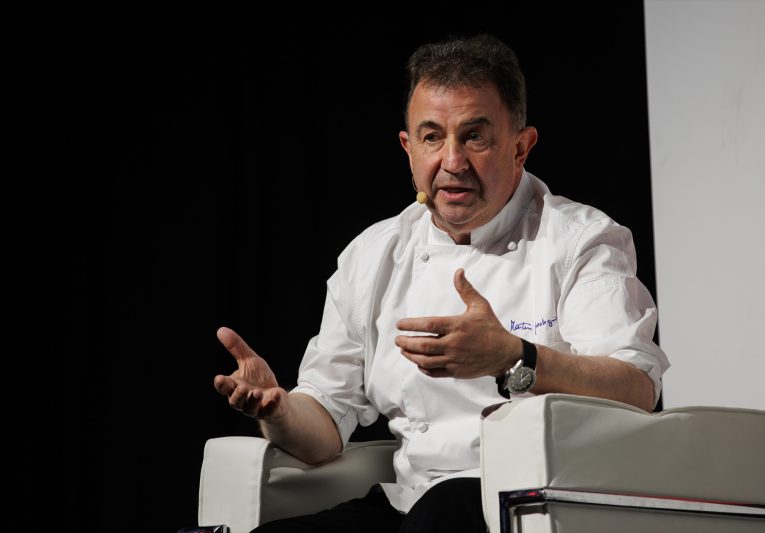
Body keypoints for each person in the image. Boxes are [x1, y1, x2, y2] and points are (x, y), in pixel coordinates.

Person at [213, 33, 670, 532]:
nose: (452, 162)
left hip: (532, 501)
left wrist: (516, 356)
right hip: (411, 501)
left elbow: (636, 388)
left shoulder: (580, 240)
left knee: (443, 513)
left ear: (521, 147)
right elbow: (325, 422)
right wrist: (277, 410)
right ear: (408, 149)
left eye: (475, 137)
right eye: (432, 137)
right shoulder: (373, 255)